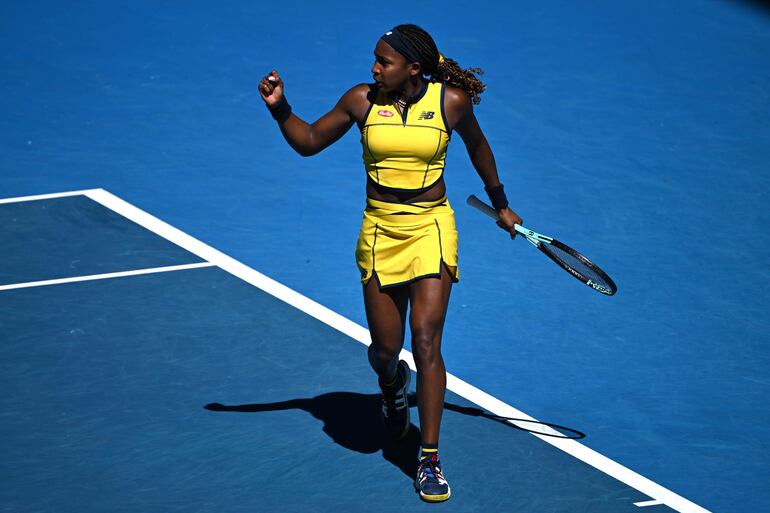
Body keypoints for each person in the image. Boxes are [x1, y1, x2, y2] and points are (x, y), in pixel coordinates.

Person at [258, 24, 521, 503]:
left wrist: (500, 203)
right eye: (375, 59)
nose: (374, 68)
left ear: (413, 69)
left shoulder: (450, 102)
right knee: (386, 348)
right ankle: (392, 385)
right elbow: (310, 140)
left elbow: (478, 147)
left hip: (431, 227)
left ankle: (429, 457)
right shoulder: (362, 100)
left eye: (385, 61)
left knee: (425, 340)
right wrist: (280, 109)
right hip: (380, 230)